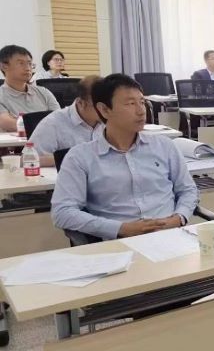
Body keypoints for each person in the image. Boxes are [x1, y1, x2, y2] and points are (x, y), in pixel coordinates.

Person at [51, 74, 198, 241]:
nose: (141, 111)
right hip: (120, 243)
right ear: (105, 110)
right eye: (130, 104)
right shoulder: (80, 157)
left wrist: (179, 218)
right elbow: (62, 212)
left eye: (142, 102)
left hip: (171, 237)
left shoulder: (164, 146)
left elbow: (188, 190)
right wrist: (120, 229)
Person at [29, 75, 104, 167]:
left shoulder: (112, 121)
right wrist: (73, 158)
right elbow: (30, 159)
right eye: (100, 106)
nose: (107, 110)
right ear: (81, 103)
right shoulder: (53, 123)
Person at [0, 45, 60, 132]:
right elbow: (8, 124)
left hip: (47, 139)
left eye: (29, 63)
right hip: (16, 141)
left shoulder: (43, 92)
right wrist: (46, 125)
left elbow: (59, 119)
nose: (28, 68)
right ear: (4, 66)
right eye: (21, 63)